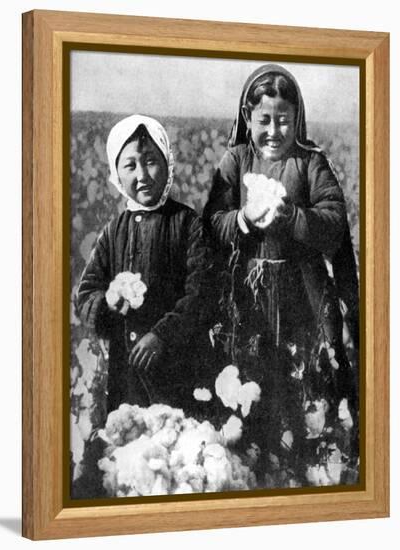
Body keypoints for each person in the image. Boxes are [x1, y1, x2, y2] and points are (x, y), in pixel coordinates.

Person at [203, 64, 359, 486]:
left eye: (284, 120)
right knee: (248, 383)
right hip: (247, 295)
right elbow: (211, 222)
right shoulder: (234, 161)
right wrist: (243, 219)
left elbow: (333, 224)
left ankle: (309, 467)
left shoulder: (311, 163)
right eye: (264, 120)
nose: (274, 130)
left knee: (304, 383)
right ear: (247, 118)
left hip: (301, 297)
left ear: (298, 119)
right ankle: (254, 467)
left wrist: (291, 216)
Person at [76, 114, 212, 414]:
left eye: (151, 161)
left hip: (177, 373)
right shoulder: (114, 231)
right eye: (130, 165)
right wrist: (108, 301)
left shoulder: (187, 223)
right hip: (126, 376)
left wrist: (162, 335)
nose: (142, 175)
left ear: (167, 163)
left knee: (175, 446)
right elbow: (86, 293)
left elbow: (201, 293)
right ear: (116, 174)